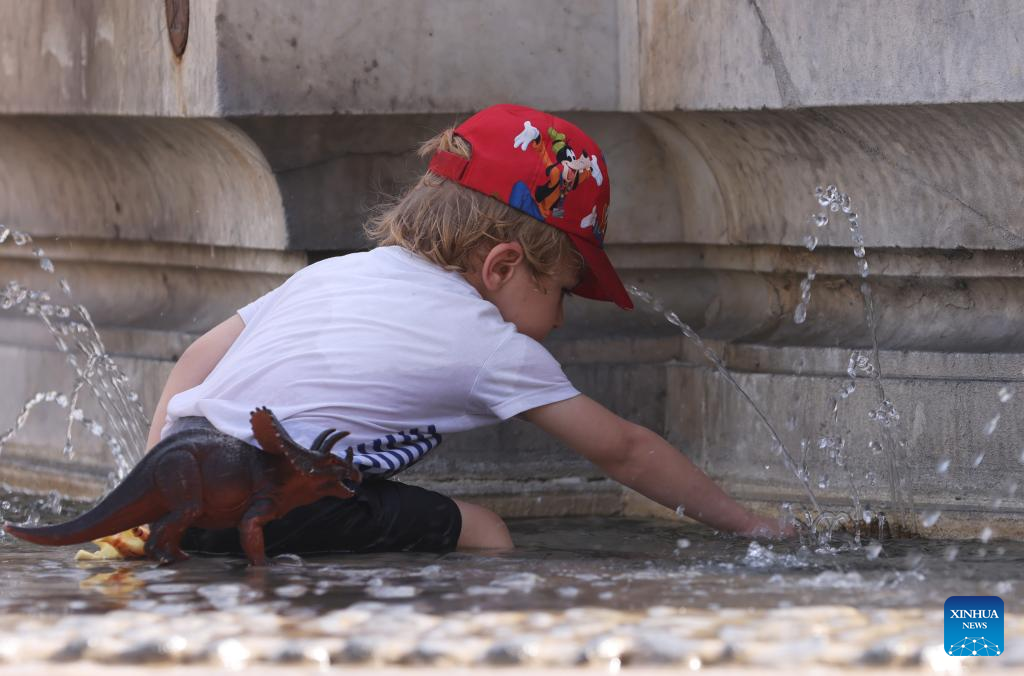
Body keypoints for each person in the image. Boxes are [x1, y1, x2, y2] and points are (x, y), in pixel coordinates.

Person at [149, 104, 790, 559]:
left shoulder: (333, 274)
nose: (560, 319)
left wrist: (149, 487)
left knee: (368, 503)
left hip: (181, 483)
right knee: (484, 531)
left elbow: (195, 362)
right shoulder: (488, 345)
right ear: (503, 266)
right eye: (562, 290)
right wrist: (748, 524)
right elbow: (623, 449)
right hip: (273, 498)